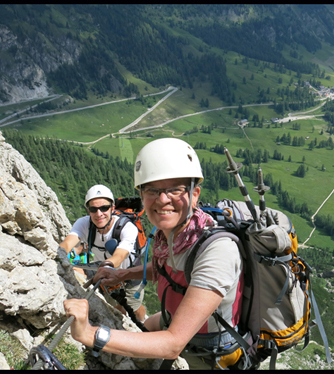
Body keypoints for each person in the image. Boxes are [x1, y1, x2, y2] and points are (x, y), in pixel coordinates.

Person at [64, 139, 246, 369]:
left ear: (195, 194)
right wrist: (122, 275)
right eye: (152, 190)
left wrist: (89, 334)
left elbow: (173, 343)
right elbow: (166, 269)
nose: (162, 199)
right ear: (142, 196)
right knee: (142, 328)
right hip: (171, 318)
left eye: (175, 189)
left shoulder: (217, 250)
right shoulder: (171, 234)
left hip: (208, 349)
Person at [60, 184, 146, 322]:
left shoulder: (127, 227)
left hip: (128, 274)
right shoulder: (83, 224)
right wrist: (57, 255)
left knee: (129, 309)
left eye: (104, 208)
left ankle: (142, 321)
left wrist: (106, 266)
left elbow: (119, 256)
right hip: (103, 272)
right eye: (93, 209)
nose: (99, 214)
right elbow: (67, 243)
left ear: (112, 208)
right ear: (88, 210)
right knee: (114, 306)